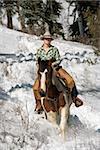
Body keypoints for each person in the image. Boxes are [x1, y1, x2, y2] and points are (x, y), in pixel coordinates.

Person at [33, 31, 83, 113]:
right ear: (43, 40)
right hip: (44, 71)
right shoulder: (39, 50)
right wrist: (40, 68)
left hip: (55, 68)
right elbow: (37, 61)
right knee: (35, 87)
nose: (47, 41)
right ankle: (39, 104)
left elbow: (58, 59)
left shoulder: (54, 49)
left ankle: (74, 98)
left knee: (69, 79)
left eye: (49, 39)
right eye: (46, 39)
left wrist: (53, 64)